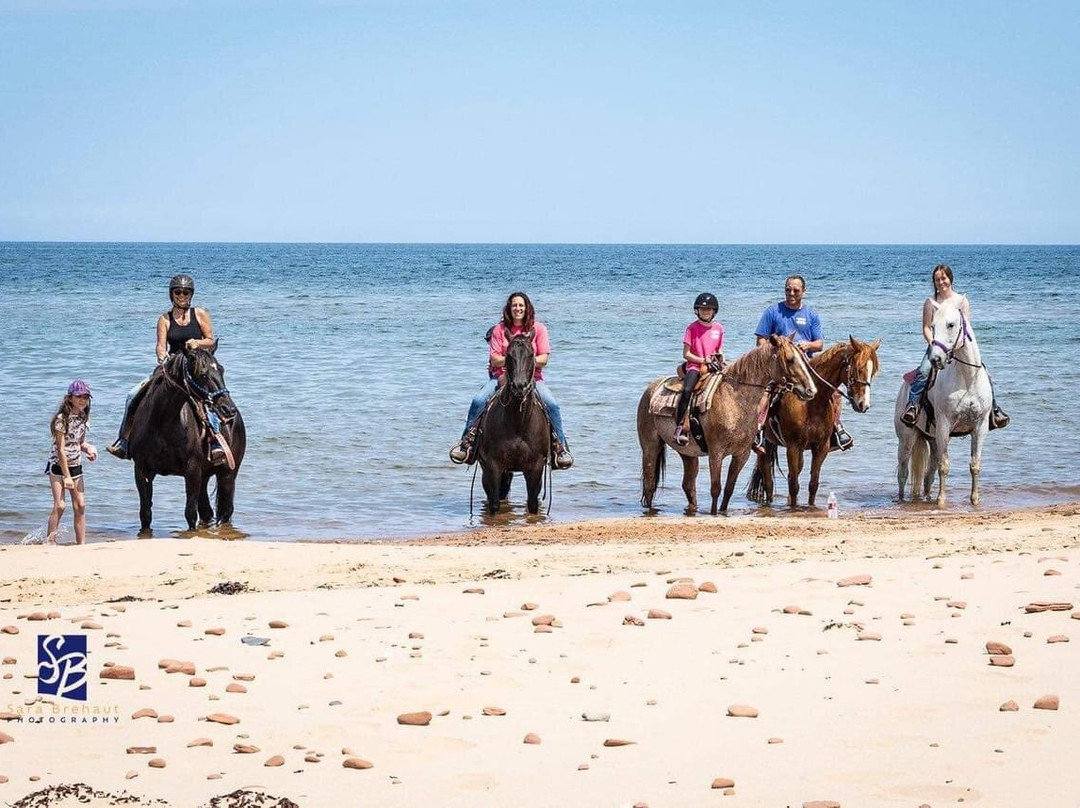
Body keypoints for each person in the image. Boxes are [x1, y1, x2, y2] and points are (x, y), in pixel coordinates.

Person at [107, 274, 223, 463]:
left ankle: (216, 442)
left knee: (213, 397)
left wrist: (197, 343)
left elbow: (210, 340)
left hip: (196, 366)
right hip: (172, 366)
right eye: (178, 292)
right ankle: (124, 441)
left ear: (191, 294)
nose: (182, 295)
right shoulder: (164, 319)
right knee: (133, 394)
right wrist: (162, 355)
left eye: (186, 292)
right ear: (172, 294)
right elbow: (161, 345)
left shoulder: (200, 314)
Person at [450, 292, 573, 469]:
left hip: (532, 378)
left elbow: (544, 358)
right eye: (514, 305)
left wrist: (522, 360)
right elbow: (494, 359)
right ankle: (466, 444)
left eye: (521, 305)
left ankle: (559, 448)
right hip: (501, 377)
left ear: (527, 308)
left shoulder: (539, 329)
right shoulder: (499, 330)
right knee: (478, 400)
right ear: (509, 308)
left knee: (552, 404)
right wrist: (515, 359)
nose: (518, 308)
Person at [900, 264, 1010, 429]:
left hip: (958, 345)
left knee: (984, 372)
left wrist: (956, 346)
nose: (940, 282)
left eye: (943, 278)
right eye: (937, 279)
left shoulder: (961, 301)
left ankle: (994, 410)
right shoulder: (930, 303)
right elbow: (926, 328)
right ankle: (913, 406)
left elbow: (966, 328)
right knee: (923, 371)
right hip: (937, 345)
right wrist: (933, 343)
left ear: (950, 279)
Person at [754, 274, 853, 452]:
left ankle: (837, 430)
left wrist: (807, 344)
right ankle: (758, 430)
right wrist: (778, 349)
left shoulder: (811, 314)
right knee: (766, 391)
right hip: (781, 364)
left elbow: (820, 343)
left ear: (803, 292)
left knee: (834, 392)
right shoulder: (772, 311)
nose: (791, 293)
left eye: (795, 290)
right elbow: (760, 342)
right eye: (788, 289)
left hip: (806, 363)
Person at [45, 381, 97, 545]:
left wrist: (88, 448)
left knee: (80, 505)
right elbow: (60, 450)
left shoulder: (83, 417)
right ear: (69, 399)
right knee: (60, 505)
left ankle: (80, 544)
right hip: (58, 466)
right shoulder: (61, 420)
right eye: (79, 396)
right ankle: (49, 542)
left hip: (76, 465)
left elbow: (78, 442)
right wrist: (66, 476)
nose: (83, 400)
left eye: (86, 397)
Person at [674, 293, 724, 446]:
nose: (705, 311)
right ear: (697, 311)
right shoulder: (692, 328)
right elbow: (686, 354)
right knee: (687, 390)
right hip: (695, 366)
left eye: (708, 309)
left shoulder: (719, 328)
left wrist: (721, 359)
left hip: (713, 366)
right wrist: (703, 360)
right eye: (702, 309)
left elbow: (719, 349)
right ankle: (680, 426)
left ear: (714, 311)